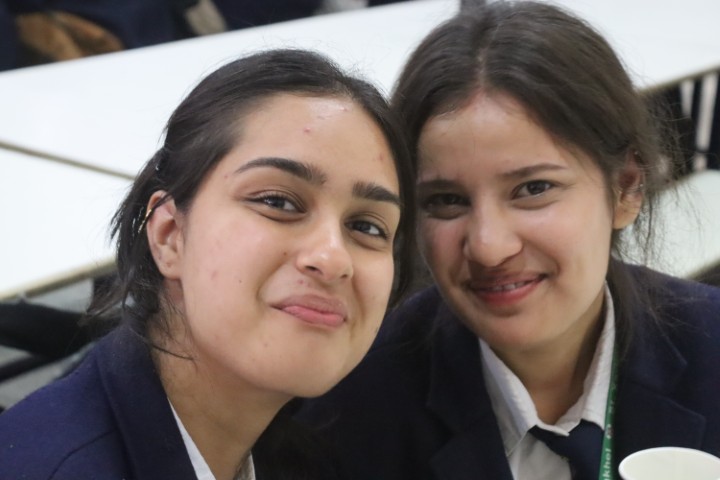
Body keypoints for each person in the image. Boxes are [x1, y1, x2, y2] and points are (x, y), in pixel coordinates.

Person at [297, 2, 720, 479]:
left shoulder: (711, 352)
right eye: (446, 200)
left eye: (533, 189)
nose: (489, 247)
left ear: (627, 188)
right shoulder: (349, 418)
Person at [0, 47, 416, 479]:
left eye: (367, 227)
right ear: (169, 235)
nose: (332, 258)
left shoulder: (298, 449)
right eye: (278, 202)